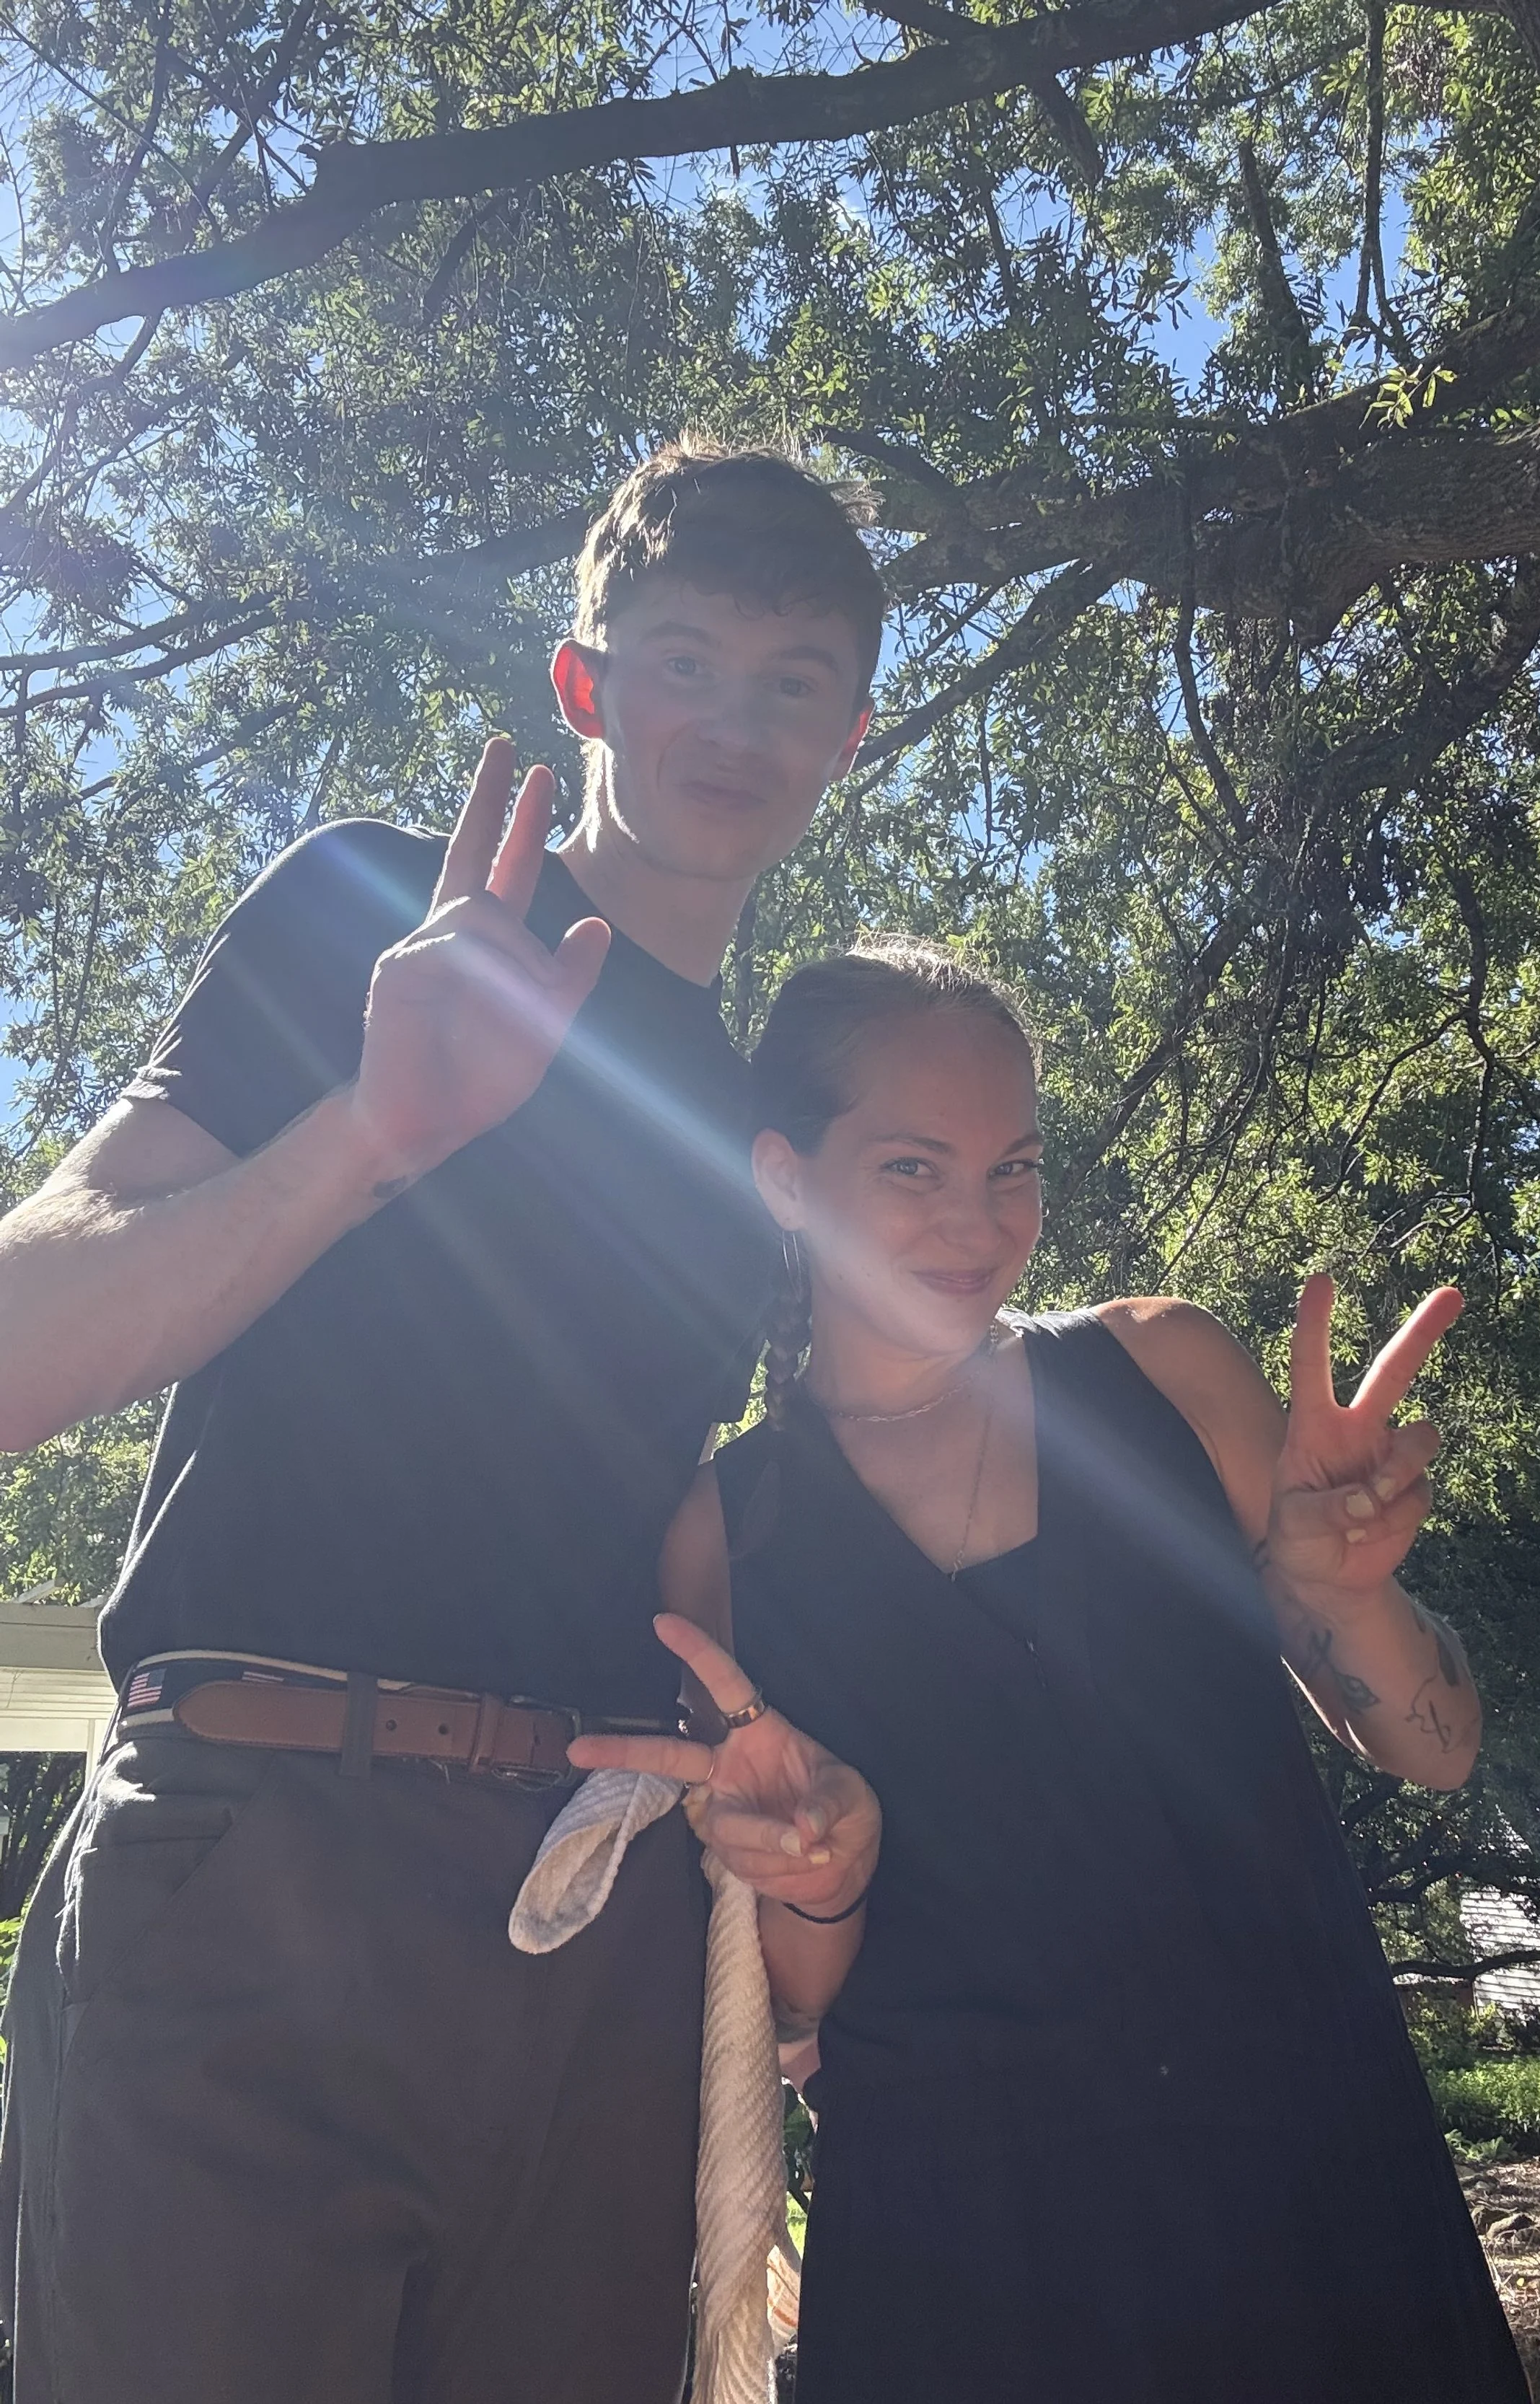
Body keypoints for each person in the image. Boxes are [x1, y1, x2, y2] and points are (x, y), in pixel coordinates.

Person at [0, 442, 884, 2404]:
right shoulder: (372, 910)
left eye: (791, 680)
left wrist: (787, 1790)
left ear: (853, 732)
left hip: (589, 1930)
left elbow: (660, 1526)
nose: (732, 720)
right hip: (252, 1865)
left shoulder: (754, 1141)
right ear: (582, 688)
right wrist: (372, 1134)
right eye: (681, 661)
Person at [574, 939, 1531, 2404]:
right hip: (967, 2261)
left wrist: (1351, 1590)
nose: (979, 1222)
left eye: (1011, 1166)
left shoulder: (1160, 1372)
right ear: (781, 1177)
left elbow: (1435, 1744)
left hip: (1312, 2193)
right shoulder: (723, 1533)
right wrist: (817, 1869)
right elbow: (794, 2000)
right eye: (912, 1168)